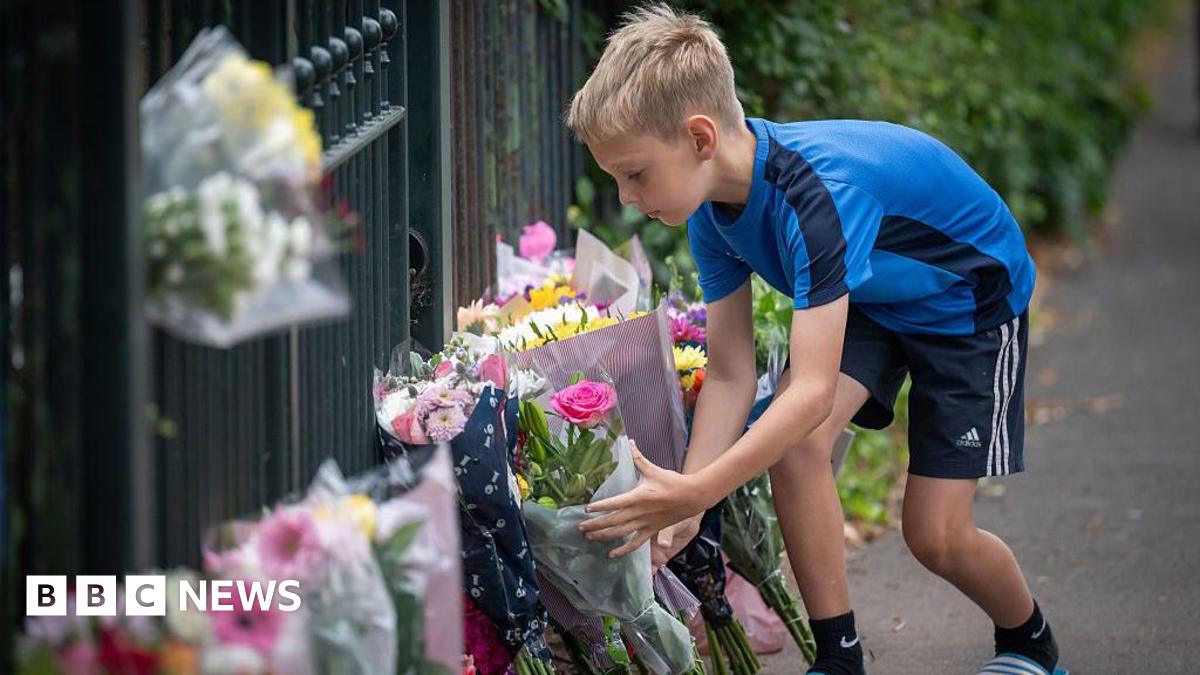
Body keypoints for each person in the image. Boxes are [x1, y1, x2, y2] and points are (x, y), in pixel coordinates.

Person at [569, 5, 1060, 674]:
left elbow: (811, 390)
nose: (626, 197)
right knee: (797, 445)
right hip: (878, 296)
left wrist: (697, 491)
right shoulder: (710, 216)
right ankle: (840, 656)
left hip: (968, 297)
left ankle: (1030, 641)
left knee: (936, 534)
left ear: (701, 138)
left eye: (635, 173)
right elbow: (735, 372)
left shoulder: (817, 196)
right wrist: (689, 495)